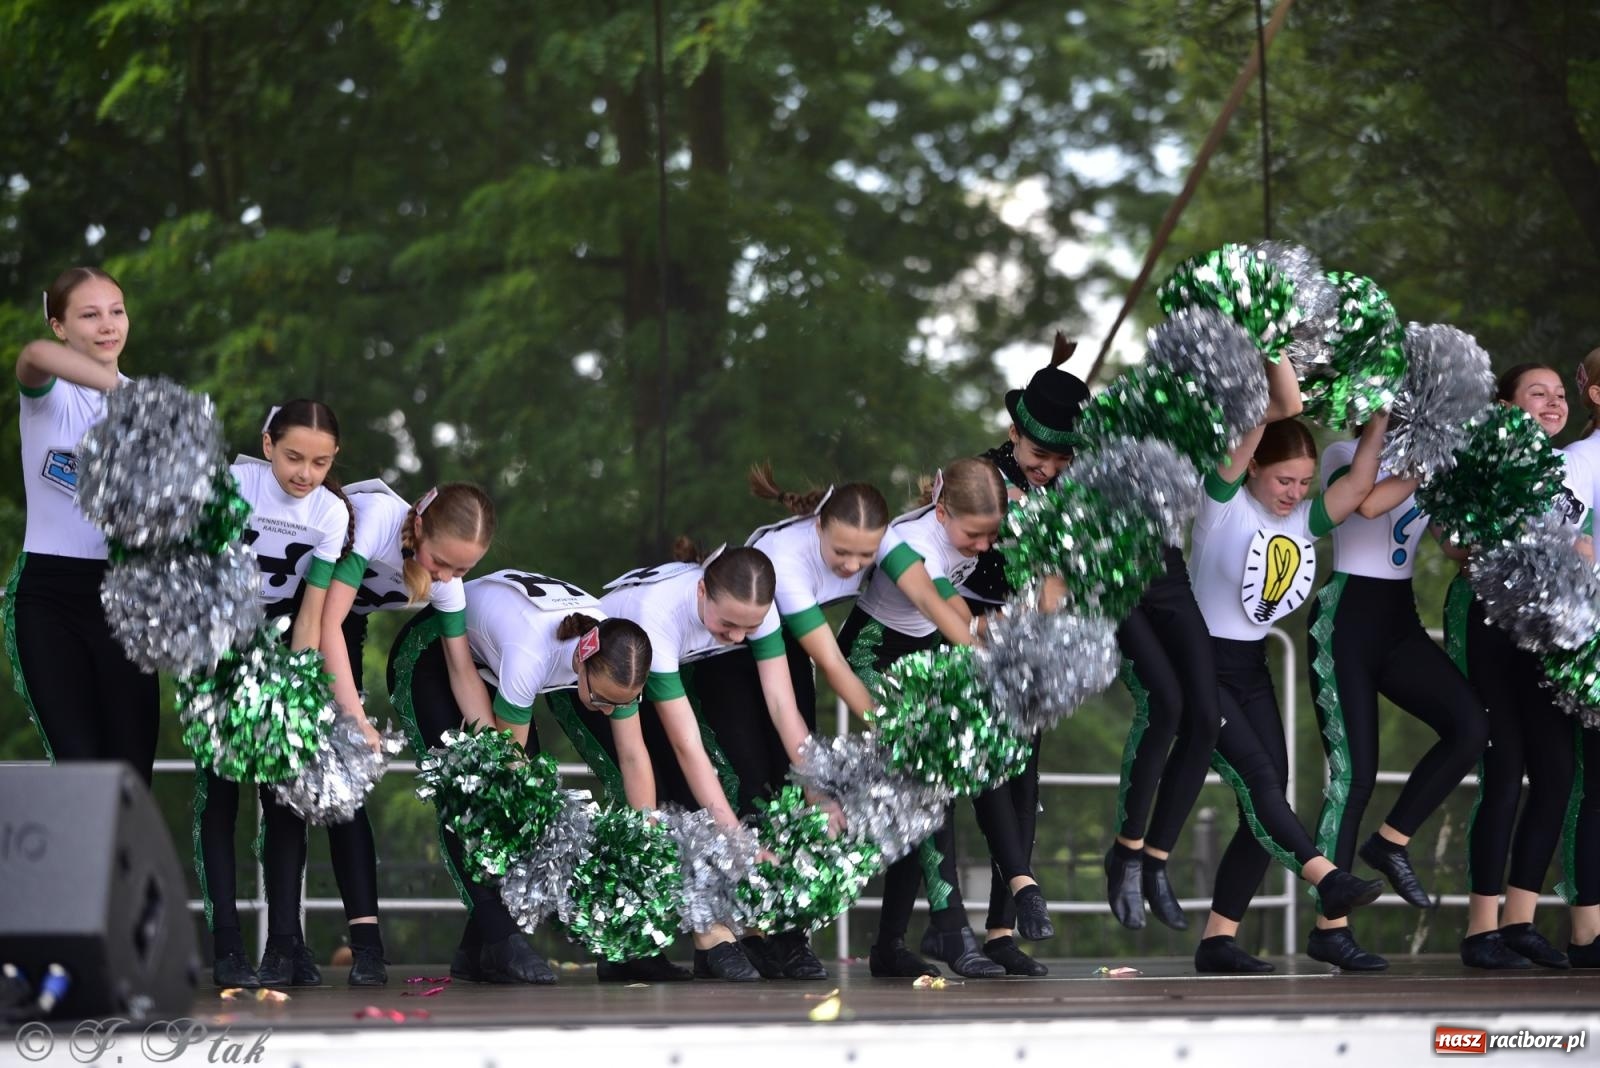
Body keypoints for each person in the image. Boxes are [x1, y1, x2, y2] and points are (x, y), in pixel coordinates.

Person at [1188, 356, 1389, 974]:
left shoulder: (1302, 516)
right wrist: (1273, 348)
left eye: (1304, 482)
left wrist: (1381, 410)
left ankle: (1218, 939)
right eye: (1284, 481)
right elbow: (1275, 414)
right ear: (1251, 468)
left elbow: (1356, 486)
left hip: (1250, 670)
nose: (1297, 493)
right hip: (1200, 667)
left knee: (1266, 799)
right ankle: (1327, 877)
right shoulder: (1220, 501)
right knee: (1262, 785)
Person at [388, 569, 652, 983]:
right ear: (582, 660)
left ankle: (474, 952)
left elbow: (634, 757)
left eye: (618, 704)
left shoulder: (619, 660)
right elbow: (506, 774)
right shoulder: (532, 653)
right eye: (598, 699)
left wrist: (645, 840)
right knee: (476, 791)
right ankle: (502, 938)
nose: (605, 710)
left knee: (522, 801)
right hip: (439, 657)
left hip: (494, 668)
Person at [561, 544, 810, 982]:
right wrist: (738, 842)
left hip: (665, 672)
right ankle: (632, 945)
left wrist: (820, 789)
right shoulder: (657, 616)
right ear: (700, 592)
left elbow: (781, 705)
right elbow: (684, 746)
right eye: (727, 624)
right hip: (602, 685)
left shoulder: (751, 611)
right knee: (648, 798)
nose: (736, 637)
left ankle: (716, 936)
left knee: (720, 785)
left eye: (747, 629)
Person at [676, 469, 889, 979]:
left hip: (782, 654)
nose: (854, 566)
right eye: (843, 555)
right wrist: (892, 727)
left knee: (793, 780)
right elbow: (834, 664)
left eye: (865, 556)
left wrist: (818, 788)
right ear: (818, 528)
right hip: (724, 659)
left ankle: (789, 932)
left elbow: (784, 705)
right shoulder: (784, 570)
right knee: (748, 776)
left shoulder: (879, 541)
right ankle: (747, 930)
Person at [839, 458, 1046, 979]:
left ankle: (892, 943)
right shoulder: (907, 543)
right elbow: (937, 608)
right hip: (874, 655)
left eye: (991, 535)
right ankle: (950, 925)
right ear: (941, 509)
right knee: (935, 769)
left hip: (926, 648)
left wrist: (1026, 616)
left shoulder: (965, 534)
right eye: (974, 535)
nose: (982, 547)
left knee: (959, 765)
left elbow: (962, 616)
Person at [1300, 422, 1489, 970]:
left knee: (1470, 726)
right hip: (1346, 617)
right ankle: (1329, 930)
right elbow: (1365, 505)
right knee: (1354, 774)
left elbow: (1452, 543)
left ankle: (1391, 840)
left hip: (1399, 620)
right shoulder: (1345, 452)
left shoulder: (1422, 460)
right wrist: (1428, 464)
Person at [194, 401, 368, 988]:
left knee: (285, 798)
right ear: (267, 445)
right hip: (220, 641)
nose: (305, 473)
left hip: (283, 643)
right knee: (221, 793)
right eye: (293, 457)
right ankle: (227, 946)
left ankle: (285, 947)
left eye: (320, 462)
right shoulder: (230, 484)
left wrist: (289, 684)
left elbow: (314, 608)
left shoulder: (331, 513)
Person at [319, 481, 517, 980]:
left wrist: (493, 749)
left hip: (348, 629)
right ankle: (284, 944)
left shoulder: (447, 579)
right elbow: (326, 622)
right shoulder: (377, 521)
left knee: (349, 787)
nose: (447, 577)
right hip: (299, 618)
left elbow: (461, 671)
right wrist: (355, 716)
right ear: (420, 526)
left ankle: (367, 949)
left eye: (462, 570)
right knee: (317, 781)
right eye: (441, 562)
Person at [1446, 364, 1583, 969]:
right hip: (1491, 622)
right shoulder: (1485, 458)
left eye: (1559, 395)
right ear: (1506, 404)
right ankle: (1481, 928)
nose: (1553, 403)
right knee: (1504, 771)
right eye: (1538, 393)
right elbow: (1454, 543)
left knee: (1555, 772)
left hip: (1547, 635)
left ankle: (1521, 920)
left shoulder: (1566, 470)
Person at [959, 337, 1088, 975]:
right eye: (1040, 455)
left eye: (1061, 460)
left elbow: (1058, 577)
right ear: (1013, 434)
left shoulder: (1061, 495)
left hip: (1025, 643)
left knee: (1025, 780)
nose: (1048, 469)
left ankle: (1003, 931)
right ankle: (1019, 885)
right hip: (967, 637)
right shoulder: (980, 480)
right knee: (991, 769)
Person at [6, 267, 159, 781]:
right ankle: (75, 864)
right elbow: (31, 357)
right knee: (78, 767)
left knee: (131, 774)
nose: (107, 325)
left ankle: (123, 865)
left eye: (116, 311)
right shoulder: (49, 394)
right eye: (89, 315)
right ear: (59, 326)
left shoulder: (153, 407)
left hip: (125, 598)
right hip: (48, 598)